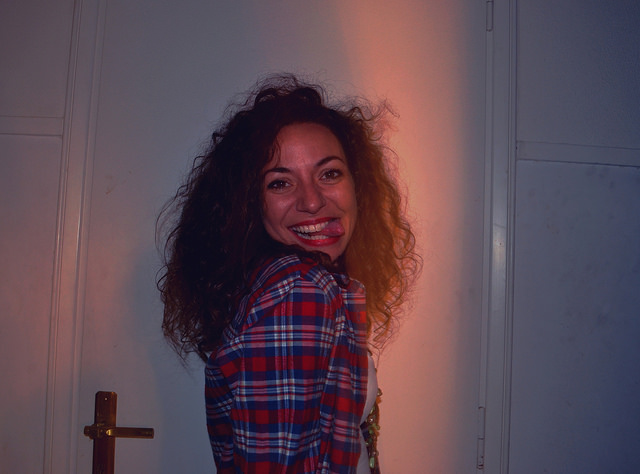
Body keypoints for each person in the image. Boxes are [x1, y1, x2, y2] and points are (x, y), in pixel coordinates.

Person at [158, 74, 420, 473]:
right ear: (250, 203)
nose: (312, 201)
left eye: (329, 174)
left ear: (357, 185)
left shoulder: (284, 284)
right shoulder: (300, 291)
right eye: (280, 183)